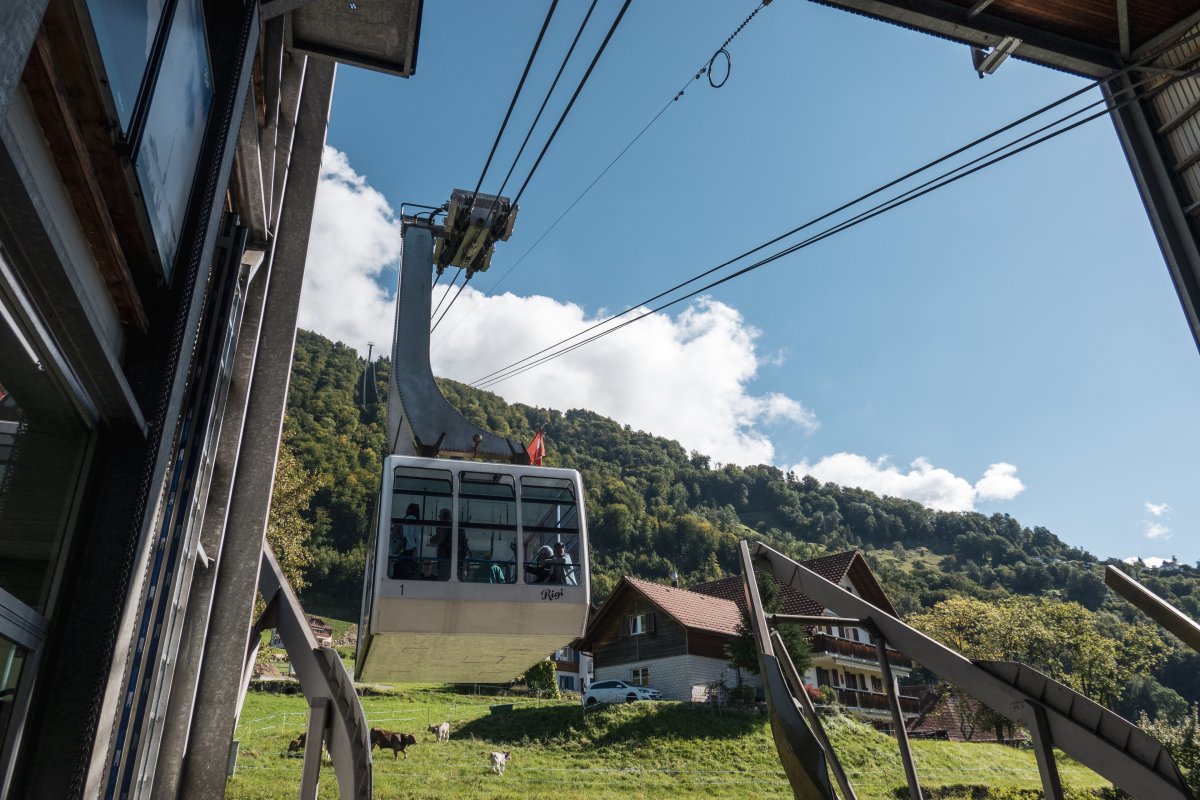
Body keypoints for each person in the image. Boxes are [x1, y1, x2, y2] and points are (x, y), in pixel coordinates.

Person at [398, 503, 421, 579]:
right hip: (410, 551)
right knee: (412, 572)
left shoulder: (407, 518)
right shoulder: (412, 518)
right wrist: (414, 548)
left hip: (408, 550)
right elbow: (409, 534)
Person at [430, 508, 453, 581]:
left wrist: (432, 539)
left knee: (443, 580)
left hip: (444, 557)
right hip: (454, 558)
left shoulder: (441, 526)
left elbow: (440, 538)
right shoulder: (454, 526)